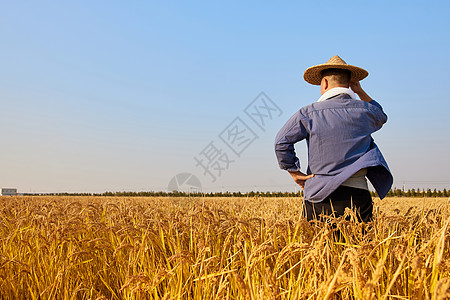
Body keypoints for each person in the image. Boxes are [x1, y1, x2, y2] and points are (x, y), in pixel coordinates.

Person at [274, 55, 393, 222]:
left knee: (318, 247)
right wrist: (359, 91)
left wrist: (293, 171)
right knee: (360, 247)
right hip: (358, 196)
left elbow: (281, 142)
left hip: (319, 197)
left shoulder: (308, 113)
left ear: (324, 83)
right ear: (351, 84)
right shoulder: (365, 111)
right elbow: (381, 115)